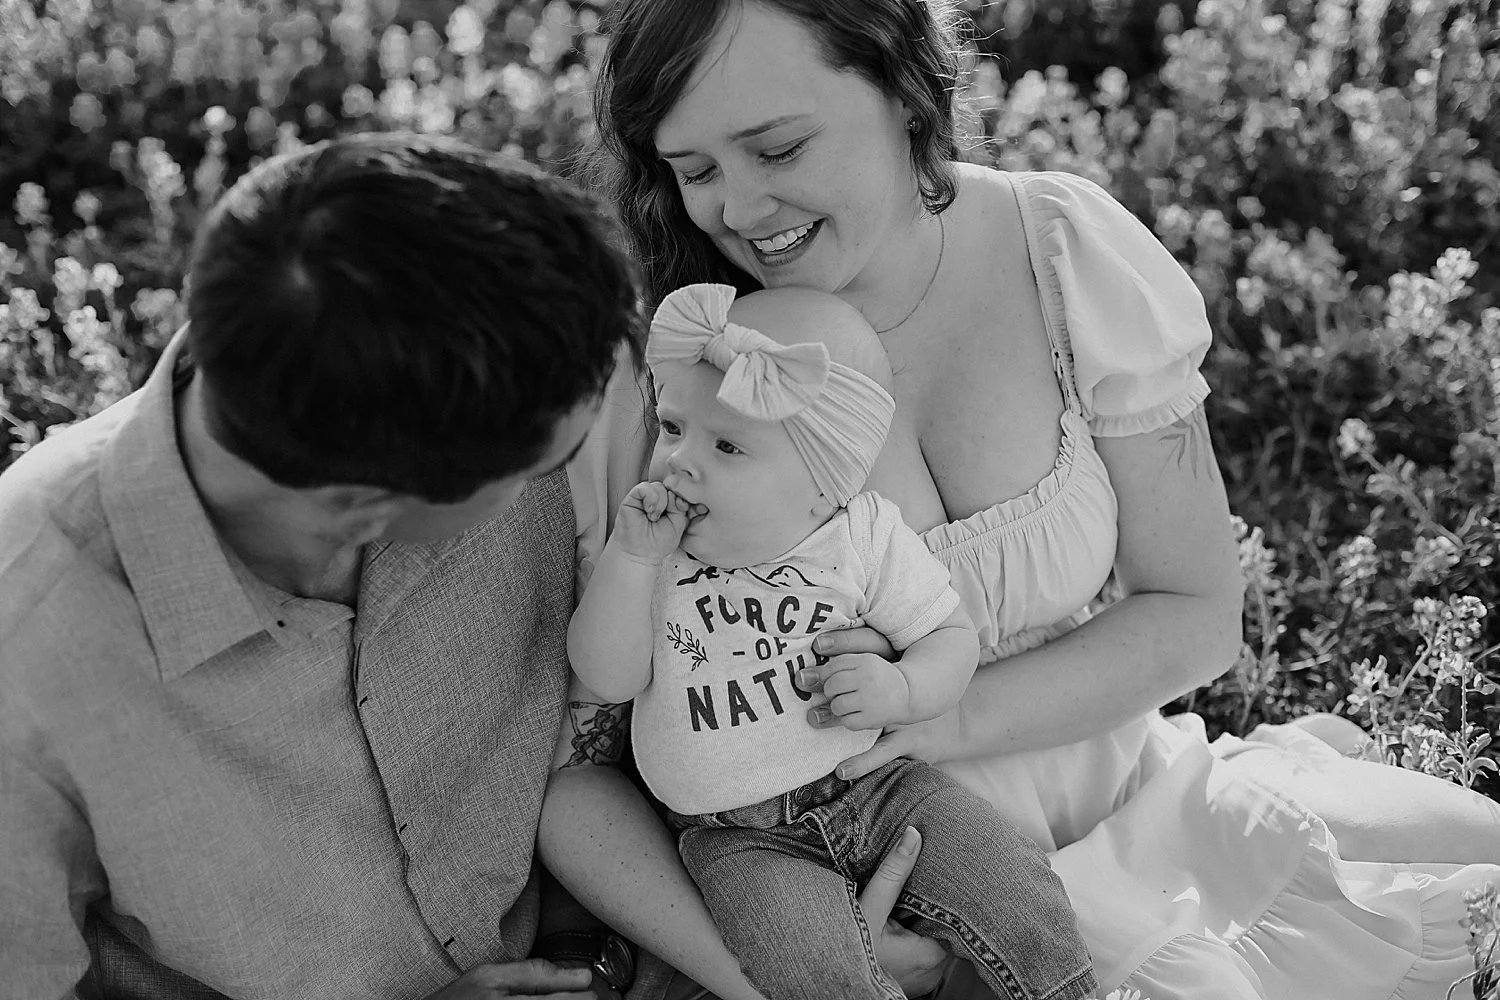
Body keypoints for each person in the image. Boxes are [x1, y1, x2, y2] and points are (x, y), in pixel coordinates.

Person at [539, 2, 1500, 998]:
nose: (737, 210)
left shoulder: (1061, 253)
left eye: (776, 146)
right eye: (694, 172)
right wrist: (775, 962)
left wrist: (933, 714)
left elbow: (1197, 614)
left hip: (1132, 786)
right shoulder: (682, 376)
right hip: (863, 879)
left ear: (904, 88)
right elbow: (585, 769)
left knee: (1475, 873)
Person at [2, 132, 668, 1000]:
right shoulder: (28, 650)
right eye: (552, 461)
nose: (587, 463)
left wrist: (596, 956)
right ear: (370, 509)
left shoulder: (478, 382)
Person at [566, 281, 1096, 1000]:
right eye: (672, 428)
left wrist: (905, 689)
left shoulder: (863, 536)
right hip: (737, 840)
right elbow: (607, 673)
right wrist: (629, 562)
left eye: (726, 444)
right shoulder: (655, 553)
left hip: (881, 786)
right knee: (813, 971)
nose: (681, 462)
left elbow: (949, 635)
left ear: (825, 480)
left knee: (1012, 881)